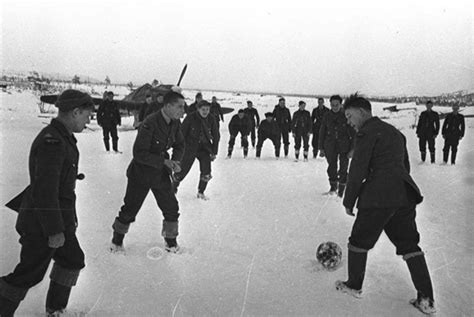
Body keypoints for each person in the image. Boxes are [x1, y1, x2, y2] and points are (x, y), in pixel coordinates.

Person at [336, 94, 435, 315]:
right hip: (404, 195)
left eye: (350, 116)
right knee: (410, 245)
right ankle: (426, 300)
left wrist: (349, 200)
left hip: (379, 197)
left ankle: (353, 285)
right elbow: (405, 166)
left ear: (362, 112)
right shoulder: (395, 133)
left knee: (358, 241)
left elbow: (357, 170)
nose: (349, 122)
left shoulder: (366, 133)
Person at [0, 90, 94, 316]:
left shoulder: (62, 136)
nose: (88, 121)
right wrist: (54, 231)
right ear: (75, 112)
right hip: (42, 222)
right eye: (87, 116)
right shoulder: (52, 141)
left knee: (72, 260)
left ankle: (55, 310)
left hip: (57, 219)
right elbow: (45, 191)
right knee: (29, 274)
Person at [109, 91, 185, 254]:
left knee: (171, 207)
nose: (182, 111)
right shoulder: (150, 122)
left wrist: (176, 161)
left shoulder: (175, 123)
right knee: (130, 209)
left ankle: (170, 242)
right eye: (179, 107)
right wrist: (164, 161)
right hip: (141, 173)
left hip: (160, 173)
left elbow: (180, 144)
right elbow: (139, 153)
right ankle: (116, 241)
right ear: (168, 106)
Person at [172, 100, 220, 200]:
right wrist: (180, 150)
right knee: (182, 170)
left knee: (206, 171)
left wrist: (214, 152)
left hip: (204, 148)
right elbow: (181, 134)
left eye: (207, 109)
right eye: (203, 109)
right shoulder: (190, 117)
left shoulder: (211, 118)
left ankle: (201, 192)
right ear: (198, 109)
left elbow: (216, 135)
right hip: (189, 148)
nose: (205, 112)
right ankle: (172, 189)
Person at [319, 95, 355, 197]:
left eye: (337, 105)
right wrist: (321, 148)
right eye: (332, 105)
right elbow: (322, 131)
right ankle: (333, 187)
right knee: (332, 167)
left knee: (343, 167)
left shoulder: (346, 115)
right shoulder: (327, 115)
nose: (334, 107)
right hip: (330, 145)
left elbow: (353, 133)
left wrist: (353, 148)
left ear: (341, 104)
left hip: (344, 145)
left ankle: (341, 191)